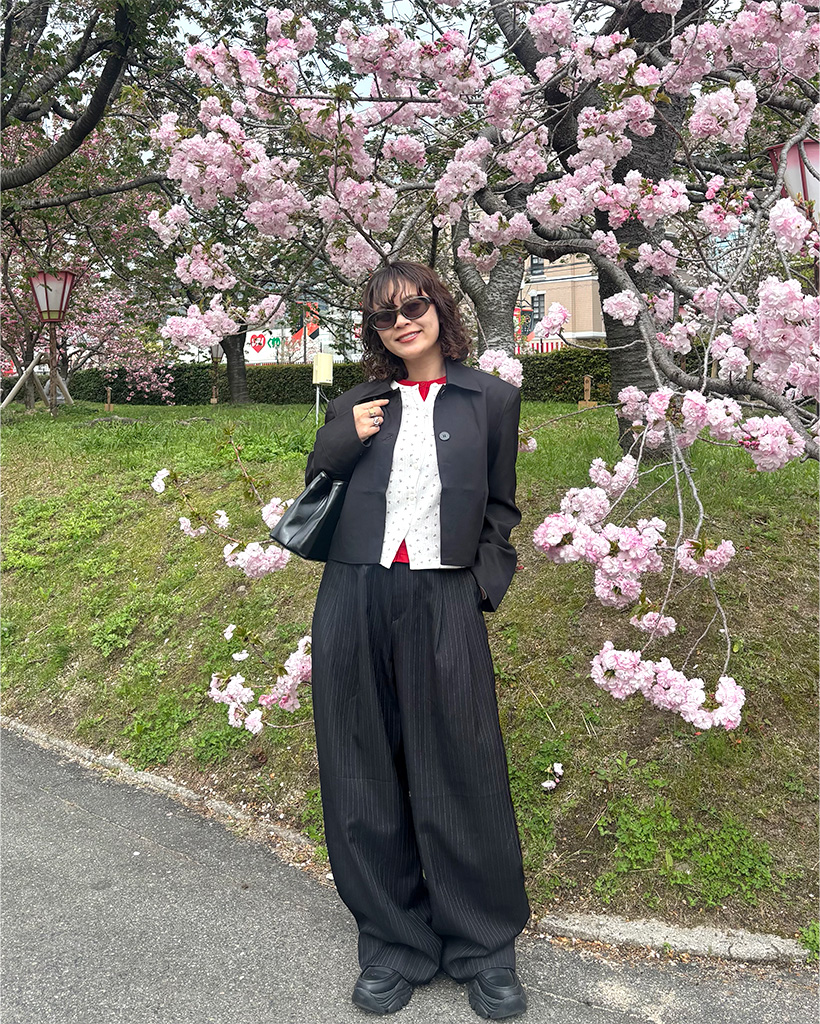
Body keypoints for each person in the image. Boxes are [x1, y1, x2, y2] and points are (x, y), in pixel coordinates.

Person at [305, 261, 530, 1020]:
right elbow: (318, 481)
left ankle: (484, 946)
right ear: (374, 332)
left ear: (440, 308)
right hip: (354, 593)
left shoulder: (491, 399)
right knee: (361, 765)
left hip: (444, 595)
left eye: (413, 306)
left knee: (463, 762)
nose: (402, 322)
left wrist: (479, 586)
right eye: (385, 316)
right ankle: (393, 943)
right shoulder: (357, 401)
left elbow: (500, 508)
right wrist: (344, 436)